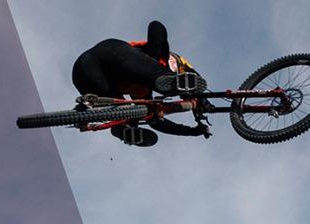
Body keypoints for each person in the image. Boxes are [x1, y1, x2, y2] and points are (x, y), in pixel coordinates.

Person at [72, 21, 210, 147]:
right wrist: (154, 58)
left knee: (126, 114)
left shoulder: (144, 95)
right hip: (112, 53)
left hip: (83, 74)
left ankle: (122, 128)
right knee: (160, 80)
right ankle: (170, 83)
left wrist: (192, 131)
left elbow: (155, 120)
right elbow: (156, 26)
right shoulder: (160, 55)